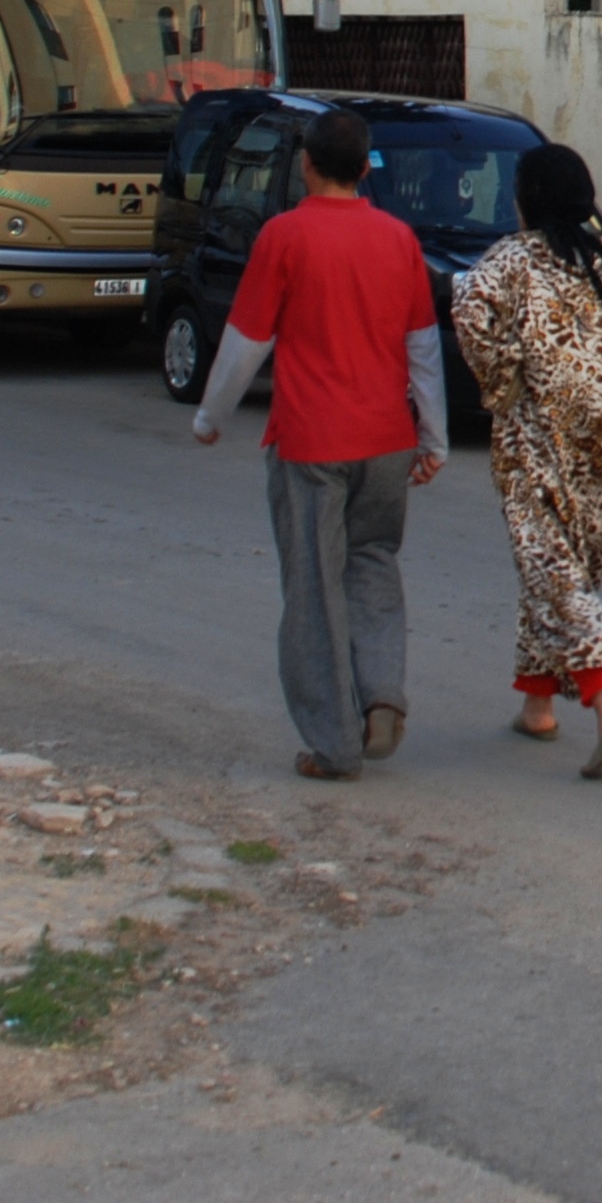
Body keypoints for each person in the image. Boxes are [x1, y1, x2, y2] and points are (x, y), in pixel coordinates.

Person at [190, 106, 445, 780]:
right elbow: (422, 349)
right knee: (372, 563)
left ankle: (333, 742)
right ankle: (383, 693)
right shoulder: (398, 240)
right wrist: (435, 438)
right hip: (387, 439)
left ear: (305, 164)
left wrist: (211, 417)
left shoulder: (284, 236)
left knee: (312, 588)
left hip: (309, 441)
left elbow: (247, 342)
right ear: (365, 169)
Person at [451, 143, 602, 779]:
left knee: (553, 567)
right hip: (600, 441)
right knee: (561, 564)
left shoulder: (512, 259)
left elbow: (467, 312)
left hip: (535, 435)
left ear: (528, 201)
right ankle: (538, 706)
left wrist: (505, 378)